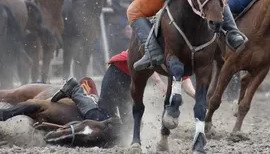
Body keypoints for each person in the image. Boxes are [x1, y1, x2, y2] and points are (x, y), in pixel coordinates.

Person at [50, 50, 195, 124]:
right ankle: (75, 90)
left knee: (127, 125)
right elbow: (149, 60)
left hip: (129, 81)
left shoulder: (179, 56)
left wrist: (198, 97)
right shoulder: (164, 41)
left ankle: (92, 100)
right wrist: (158, 82)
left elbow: (185, 80)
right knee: (103, 119)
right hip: (118, 72)